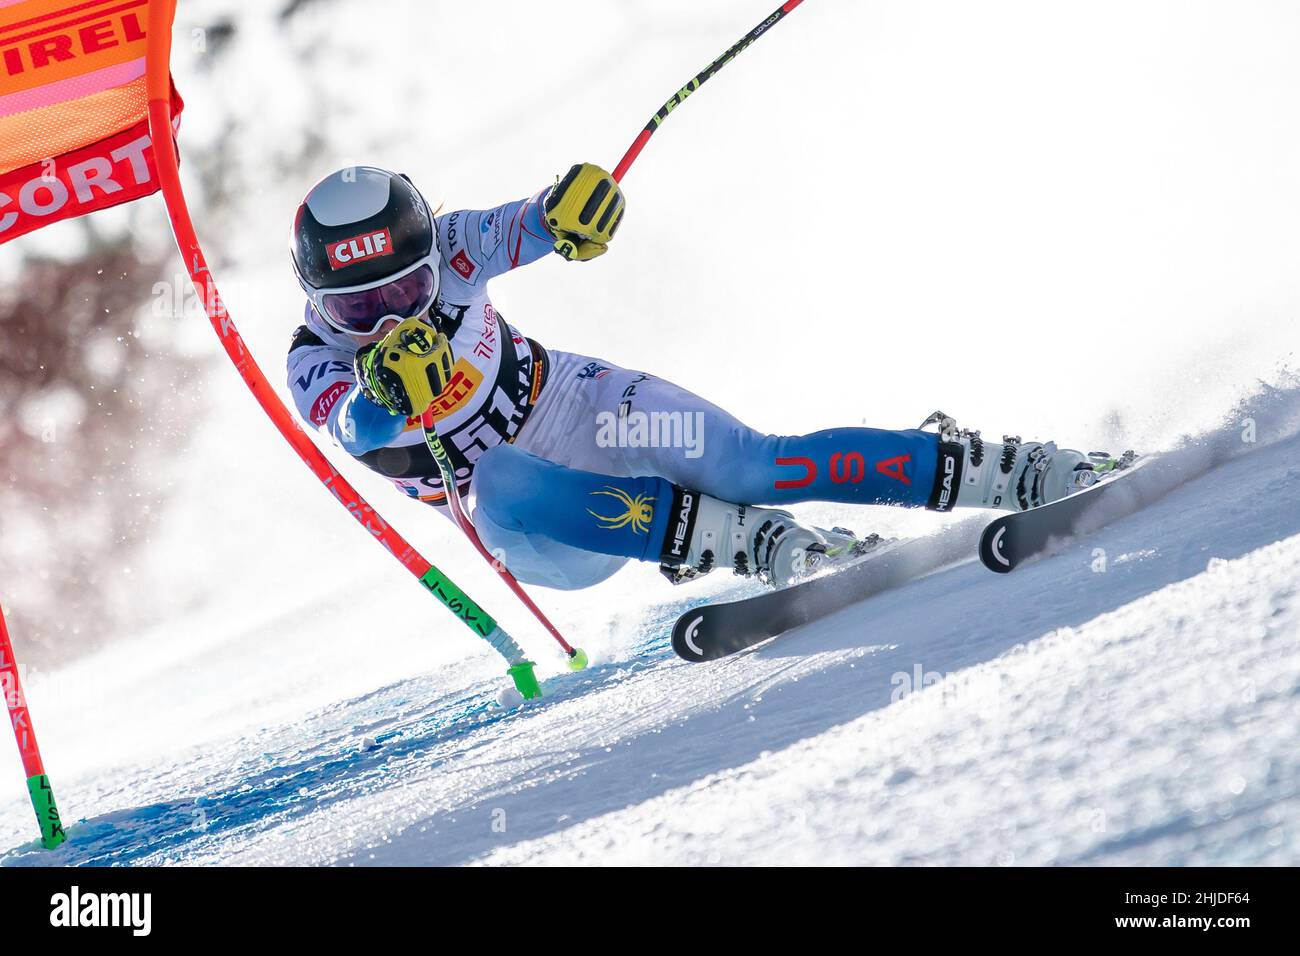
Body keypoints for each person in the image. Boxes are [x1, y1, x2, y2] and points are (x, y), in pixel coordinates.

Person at [288, 164, 1111, 591]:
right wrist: (386, 390)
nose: (392, 317)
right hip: (537, 529)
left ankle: (1002, 468)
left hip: (579, 406)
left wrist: (570, 212)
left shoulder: (457, 242)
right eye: (361, 309)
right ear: (321, 301)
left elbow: (532, 223)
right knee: (498, 474)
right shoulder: (312, 358)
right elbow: (351, 426)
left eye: (407, 289)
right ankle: (742, 541)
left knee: (755, 463)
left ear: (431, 255)